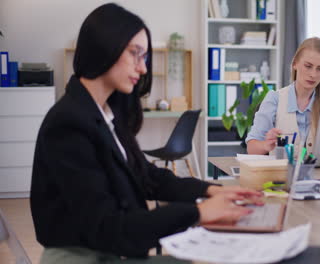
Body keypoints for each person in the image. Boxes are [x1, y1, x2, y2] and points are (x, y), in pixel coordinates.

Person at [30, 3, 262, 263]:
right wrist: (197, 213)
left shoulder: (105, 114)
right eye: (135, 54)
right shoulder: (68, 124)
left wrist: (210, 190)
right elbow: (109, 228)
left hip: (109, 252)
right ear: (105, 47)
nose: (142, 69)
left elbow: (146, 177)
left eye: (145, 57)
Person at [246, 37, 320, 195]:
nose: (313, 74)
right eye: (308, 66)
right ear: (295, 64)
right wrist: (266, 145)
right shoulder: (275, 99)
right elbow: (251, 148)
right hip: (281, 180)